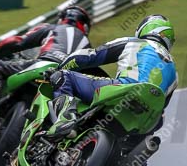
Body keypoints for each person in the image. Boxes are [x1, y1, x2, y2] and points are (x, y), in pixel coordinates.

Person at [47, 14, 178, 142]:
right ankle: (134, 159)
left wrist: (60, 68)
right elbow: (162, 105)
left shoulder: (134, 42)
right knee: (155, 124)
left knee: (63, 77)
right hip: (145, 116)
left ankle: (65, 120)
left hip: (125, 88)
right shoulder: (174, 72)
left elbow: (90, 56)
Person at [0, 5, 92, 115]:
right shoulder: (89, 47)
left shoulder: (53, 28)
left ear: (62, 19)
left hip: (45, 64)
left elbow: (16, 42)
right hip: (67, 81)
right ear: (85, 27)